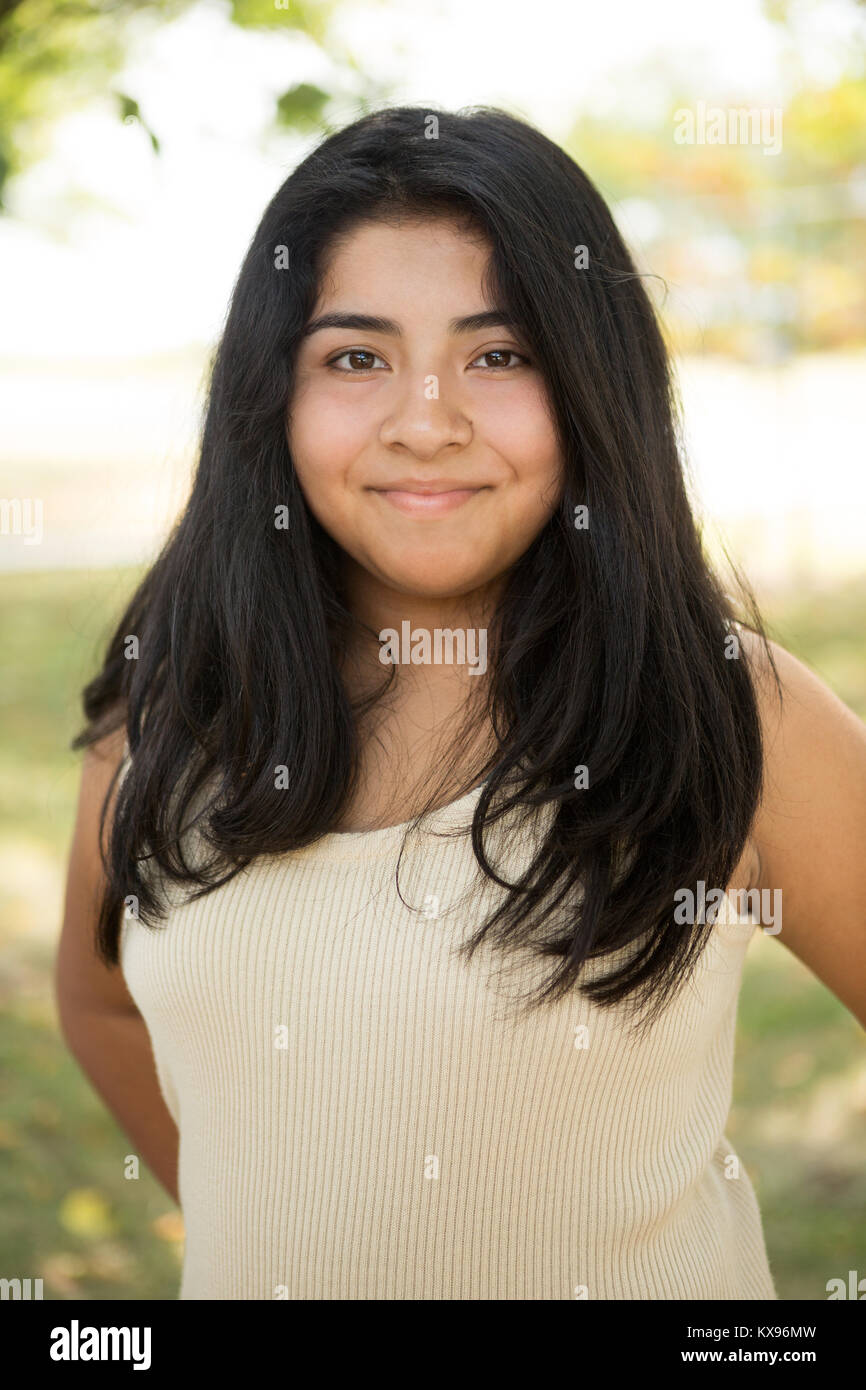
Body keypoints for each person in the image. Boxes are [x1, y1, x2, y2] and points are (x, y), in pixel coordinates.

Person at [55, 104, 866, 1300]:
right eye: (355, 357)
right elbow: (102, 997)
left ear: (591, 384)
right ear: (270, 395)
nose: (425, 422)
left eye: (499, 355)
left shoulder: (719, 708)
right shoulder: (175, 704)